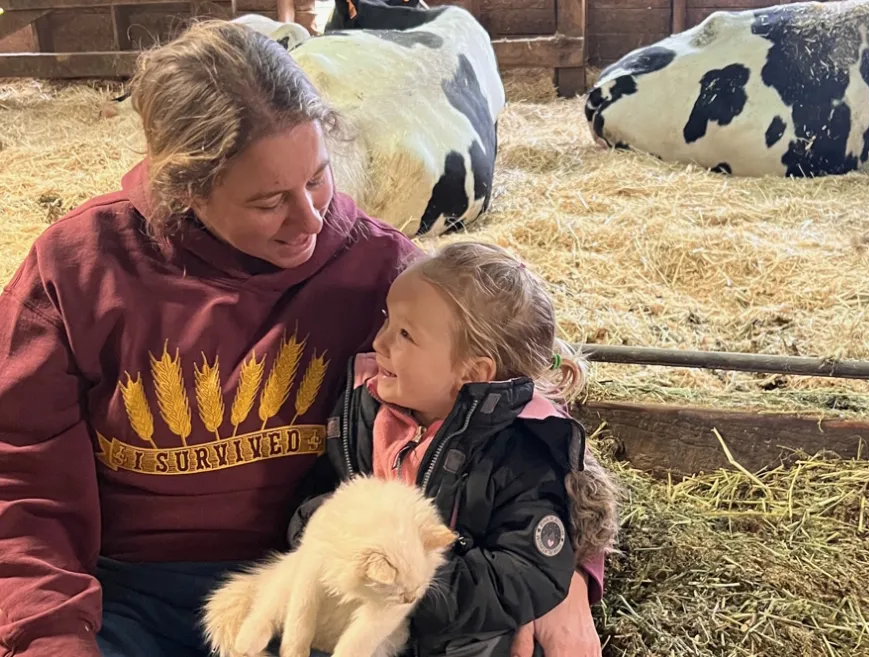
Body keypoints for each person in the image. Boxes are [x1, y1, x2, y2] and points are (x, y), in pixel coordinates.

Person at [0, 18, 608, 657]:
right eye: (268, 201)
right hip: (123, 597)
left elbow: (517, 404)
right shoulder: (77, 270)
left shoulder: (380, 270)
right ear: (185, 190)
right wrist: (49, 634)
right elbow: (21, 477)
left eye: (318, 177)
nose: (311, 218)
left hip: (320, 589)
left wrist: (565, 571)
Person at [273, 241, 614, 656]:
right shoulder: (365, 414)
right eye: (387, 321)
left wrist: (414, 590)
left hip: (460, 638)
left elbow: (528, 570)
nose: (378, 344)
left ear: (472, 373)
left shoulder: (520, 452)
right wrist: (319, 527)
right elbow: (324, 489)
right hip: (363, 613)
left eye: (404, 334)